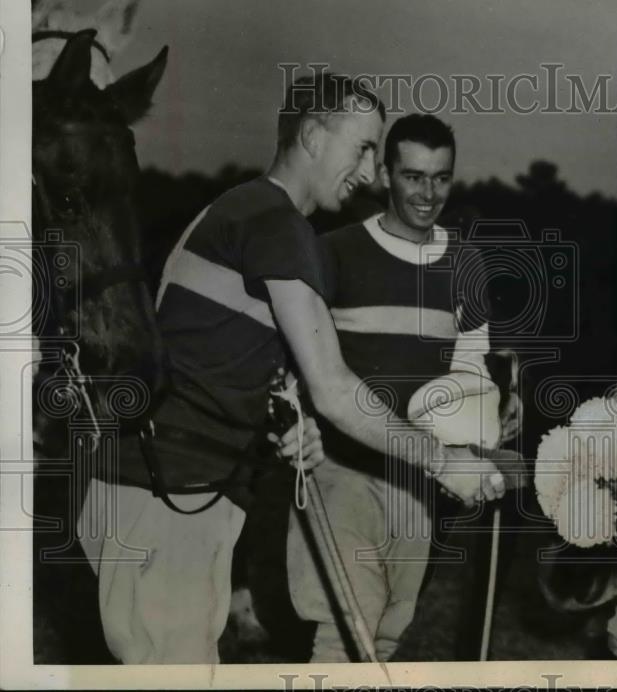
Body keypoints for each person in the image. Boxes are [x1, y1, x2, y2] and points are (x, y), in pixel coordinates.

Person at [76, 74, 502, 664]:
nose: (369, 168)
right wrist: (444, 459)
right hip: (167, 494)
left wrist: (285, 415)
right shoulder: (278, 224)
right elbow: (334, 387)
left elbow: (222, 354)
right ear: (311, 135)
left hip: (161, 488)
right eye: (362, 146)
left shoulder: (242, 208)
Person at [287, 113, 520, 662]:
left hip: (417, 474)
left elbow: (470, 364)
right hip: (341, 469)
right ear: (385, 174)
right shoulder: (334, 250)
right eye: (413, 176)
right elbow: (298, 362)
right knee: (347, 633)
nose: (428, 192)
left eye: (441, 178)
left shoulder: (466, 260)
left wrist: (491, 410)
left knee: (389, 632)